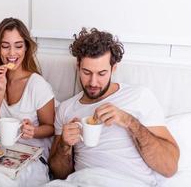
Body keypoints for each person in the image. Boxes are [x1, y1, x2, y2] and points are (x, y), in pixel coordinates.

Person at [48, 28, 180, 186]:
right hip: (81, 181)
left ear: (114, 68)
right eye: (86, 72)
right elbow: (58, 173)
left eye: (102, 73)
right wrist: (64, 144)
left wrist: (129, 122)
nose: (93, 82)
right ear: (78, 66)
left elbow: (169, 167)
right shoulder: (66, 109)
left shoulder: (139, 96)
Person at [0, 17, 55, 185]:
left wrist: (33, 131)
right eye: (5, 46)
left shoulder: (38, 85)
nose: (12, 53)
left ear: (26, 48)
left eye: (18, 46)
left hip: (30, 157)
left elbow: (51, 127)